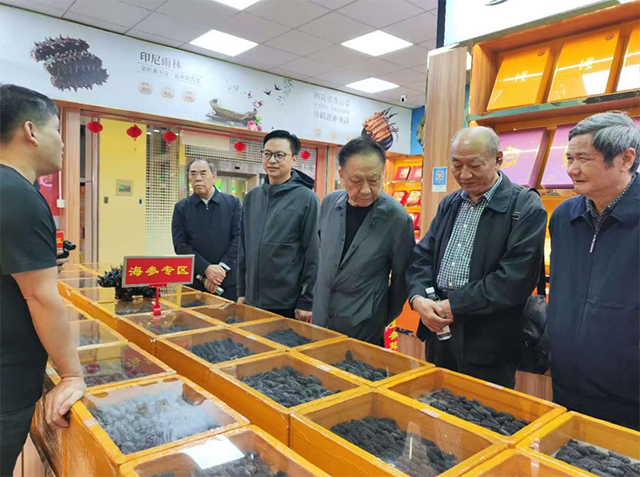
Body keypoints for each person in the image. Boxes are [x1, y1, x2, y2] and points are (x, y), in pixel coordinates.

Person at [405, 126, 547, 388]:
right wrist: (418, 299)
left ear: (498, 159)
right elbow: (422, 256)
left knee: (482, 407)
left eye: (474, 165)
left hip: (490, 341)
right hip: (440, 330)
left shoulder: (525, 206)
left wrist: (454, 305)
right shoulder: (450, 203)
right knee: (436, 400)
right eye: (457, 165)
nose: (464, 174)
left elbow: (514, 280)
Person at [0, 85, 85, 474]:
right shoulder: (17, 194)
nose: (64, 143)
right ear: (31, 131)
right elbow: (41, 297)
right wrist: (71, 374)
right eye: (58, 130)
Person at [548, 112, 640, 430]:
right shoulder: (563, 217)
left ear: (626, 159)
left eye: (583, 159)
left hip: (629, 394)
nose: (572, 169)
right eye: (569, 158)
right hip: (565, 382)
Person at [313, 137, 415, 344]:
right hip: (321, 318)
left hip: (363, 327)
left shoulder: (397, 218)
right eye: (357, 180)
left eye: (374, 180)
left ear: (383, 174)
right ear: (341, 175)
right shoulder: (329, 203)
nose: (366, 190)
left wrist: (379, 317)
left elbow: (402, 279)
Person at [237, 130, 319, 321]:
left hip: (286, 303)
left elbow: (313, 254)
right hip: (252, 300)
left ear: (294, 160)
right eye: (267, 154)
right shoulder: (252, 197)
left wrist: (307, 300)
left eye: (279, 155)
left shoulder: (307, 198)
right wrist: (241, 290)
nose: (272, 160)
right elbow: (244, 248)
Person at [172, 159, 241, 300]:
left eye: (203, 173)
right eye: (193, 174)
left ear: (214, 176)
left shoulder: (232, 203)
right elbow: (180, 245)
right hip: (196, 281)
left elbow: (239, 238)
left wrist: (221, 269)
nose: (198, 178)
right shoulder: (181, 208)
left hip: (226, 280)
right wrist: (206, 269)